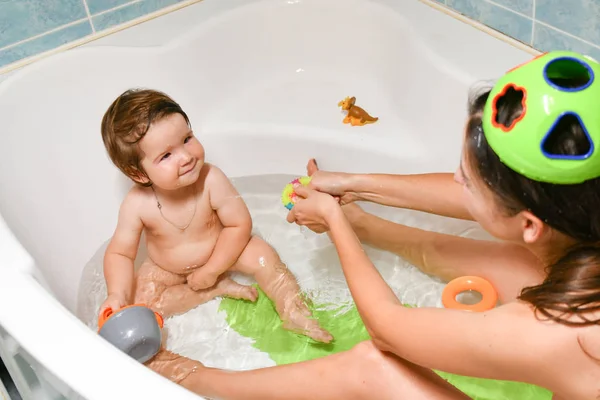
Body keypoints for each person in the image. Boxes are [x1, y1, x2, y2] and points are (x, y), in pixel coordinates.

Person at [148, 51, 600, 400]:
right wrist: (354, 191)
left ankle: (200, 381)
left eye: (469, 181)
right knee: (516, 264)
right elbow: (482, 202)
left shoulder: (559, 328)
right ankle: (372, 228)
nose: (456, 181)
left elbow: (388, 329)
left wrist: (335, 223)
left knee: (374, 367)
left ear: (530, 222)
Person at [98, 88, 332, 343]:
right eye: (166, 155)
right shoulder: (137, 204)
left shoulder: (211, 179)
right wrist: (117, 294)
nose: (186, 157)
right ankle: (212, 291)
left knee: (263, 256)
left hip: (226, 250)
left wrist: (212, 269)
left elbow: (239, 225)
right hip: (167, 267)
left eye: (187, 139)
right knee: (143, 301)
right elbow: (120, 253)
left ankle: (294, 312)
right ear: (140, 174)